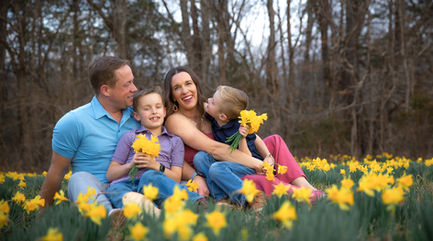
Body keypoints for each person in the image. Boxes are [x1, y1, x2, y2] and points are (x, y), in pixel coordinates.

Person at [162, 66, 320, 204]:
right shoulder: (175, 120)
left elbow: (247, 132)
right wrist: (258, 164)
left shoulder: (211, 108)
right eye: (177, 87)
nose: (184, 91)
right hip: (218, 170)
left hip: (235, 160)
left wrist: (268, 157)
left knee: (274, 141)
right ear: (172, 95)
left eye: (188, 83)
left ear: (196, 85)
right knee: (255, 179)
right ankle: (301, 196)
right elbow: (215, 149)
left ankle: (307, 187)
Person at [39, 56, 141, 215]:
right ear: (106, 90)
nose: (134, 88)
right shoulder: (73, 122)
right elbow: (56, 171)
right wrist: (41, 214)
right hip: (96, 191)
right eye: (127, 84)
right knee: (77, 179)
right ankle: (110, 219)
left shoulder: (140, 115)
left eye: (132, 81)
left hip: (132, 188)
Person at [105, 87, 204, 209]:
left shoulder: (174, 141)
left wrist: (155, 165)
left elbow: (176, 177)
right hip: (129, 184)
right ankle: (143, 214)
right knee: (114, 189)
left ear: (164, 112)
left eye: (158, 107)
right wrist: (130, 165)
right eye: (147, 109)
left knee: (150, 176)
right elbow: (110, 174)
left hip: (156, 183)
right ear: (137, 116)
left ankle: (198, 204)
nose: (154, 111)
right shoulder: (130, 136)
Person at [193, 85, 273, 206]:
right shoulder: (215, 115)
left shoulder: (240, 126)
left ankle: (250, 199)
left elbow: (247, 158)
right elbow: (202, 105)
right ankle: (223, 200)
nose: (208, 100)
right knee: (200, 158)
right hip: (228, 163)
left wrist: (242, 138)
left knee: (216, 169)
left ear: (223, 116)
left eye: (213, 101)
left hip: (249, 166)